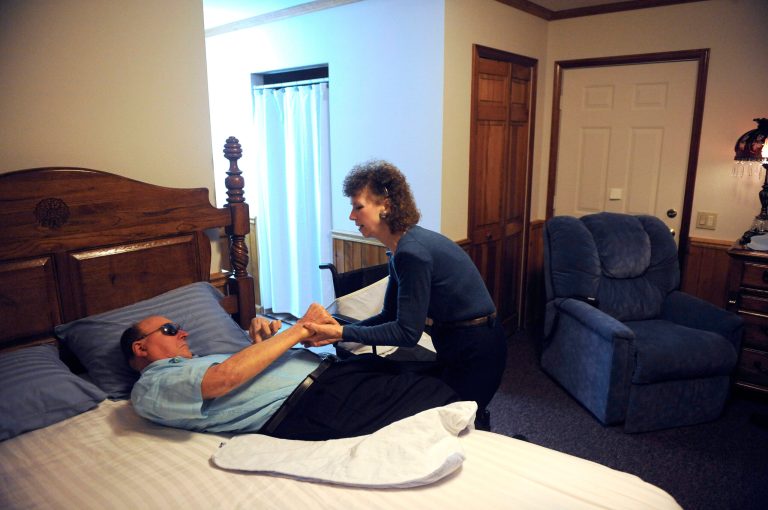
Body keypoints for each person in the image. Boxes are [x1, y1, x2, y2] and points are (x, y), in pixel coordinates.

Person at [302, 160, 507, 427]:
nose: (352, 216)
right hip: (460, 341)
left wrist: (342, 333)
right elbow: (389, 315)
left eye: (357, 207)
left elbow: (407, 334)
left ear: (385, 206)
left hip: (478, 349)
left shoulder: (411, 252)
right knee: (450, 416)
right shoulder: (400, 248)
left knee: (458, 420)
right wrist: (341, 335)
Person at [120, 303, 459, 441]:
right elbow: (223, 380)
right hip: (308, 403)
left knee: (436, 367)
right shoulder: (151, 385)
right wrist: (297, 330)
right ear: (141, 348)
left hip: (330, 374)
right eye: (169, 331)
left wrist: (258, 345)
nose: (183, 333)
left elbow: (236, 373)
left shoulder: (192, 363)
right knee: (439, 392)